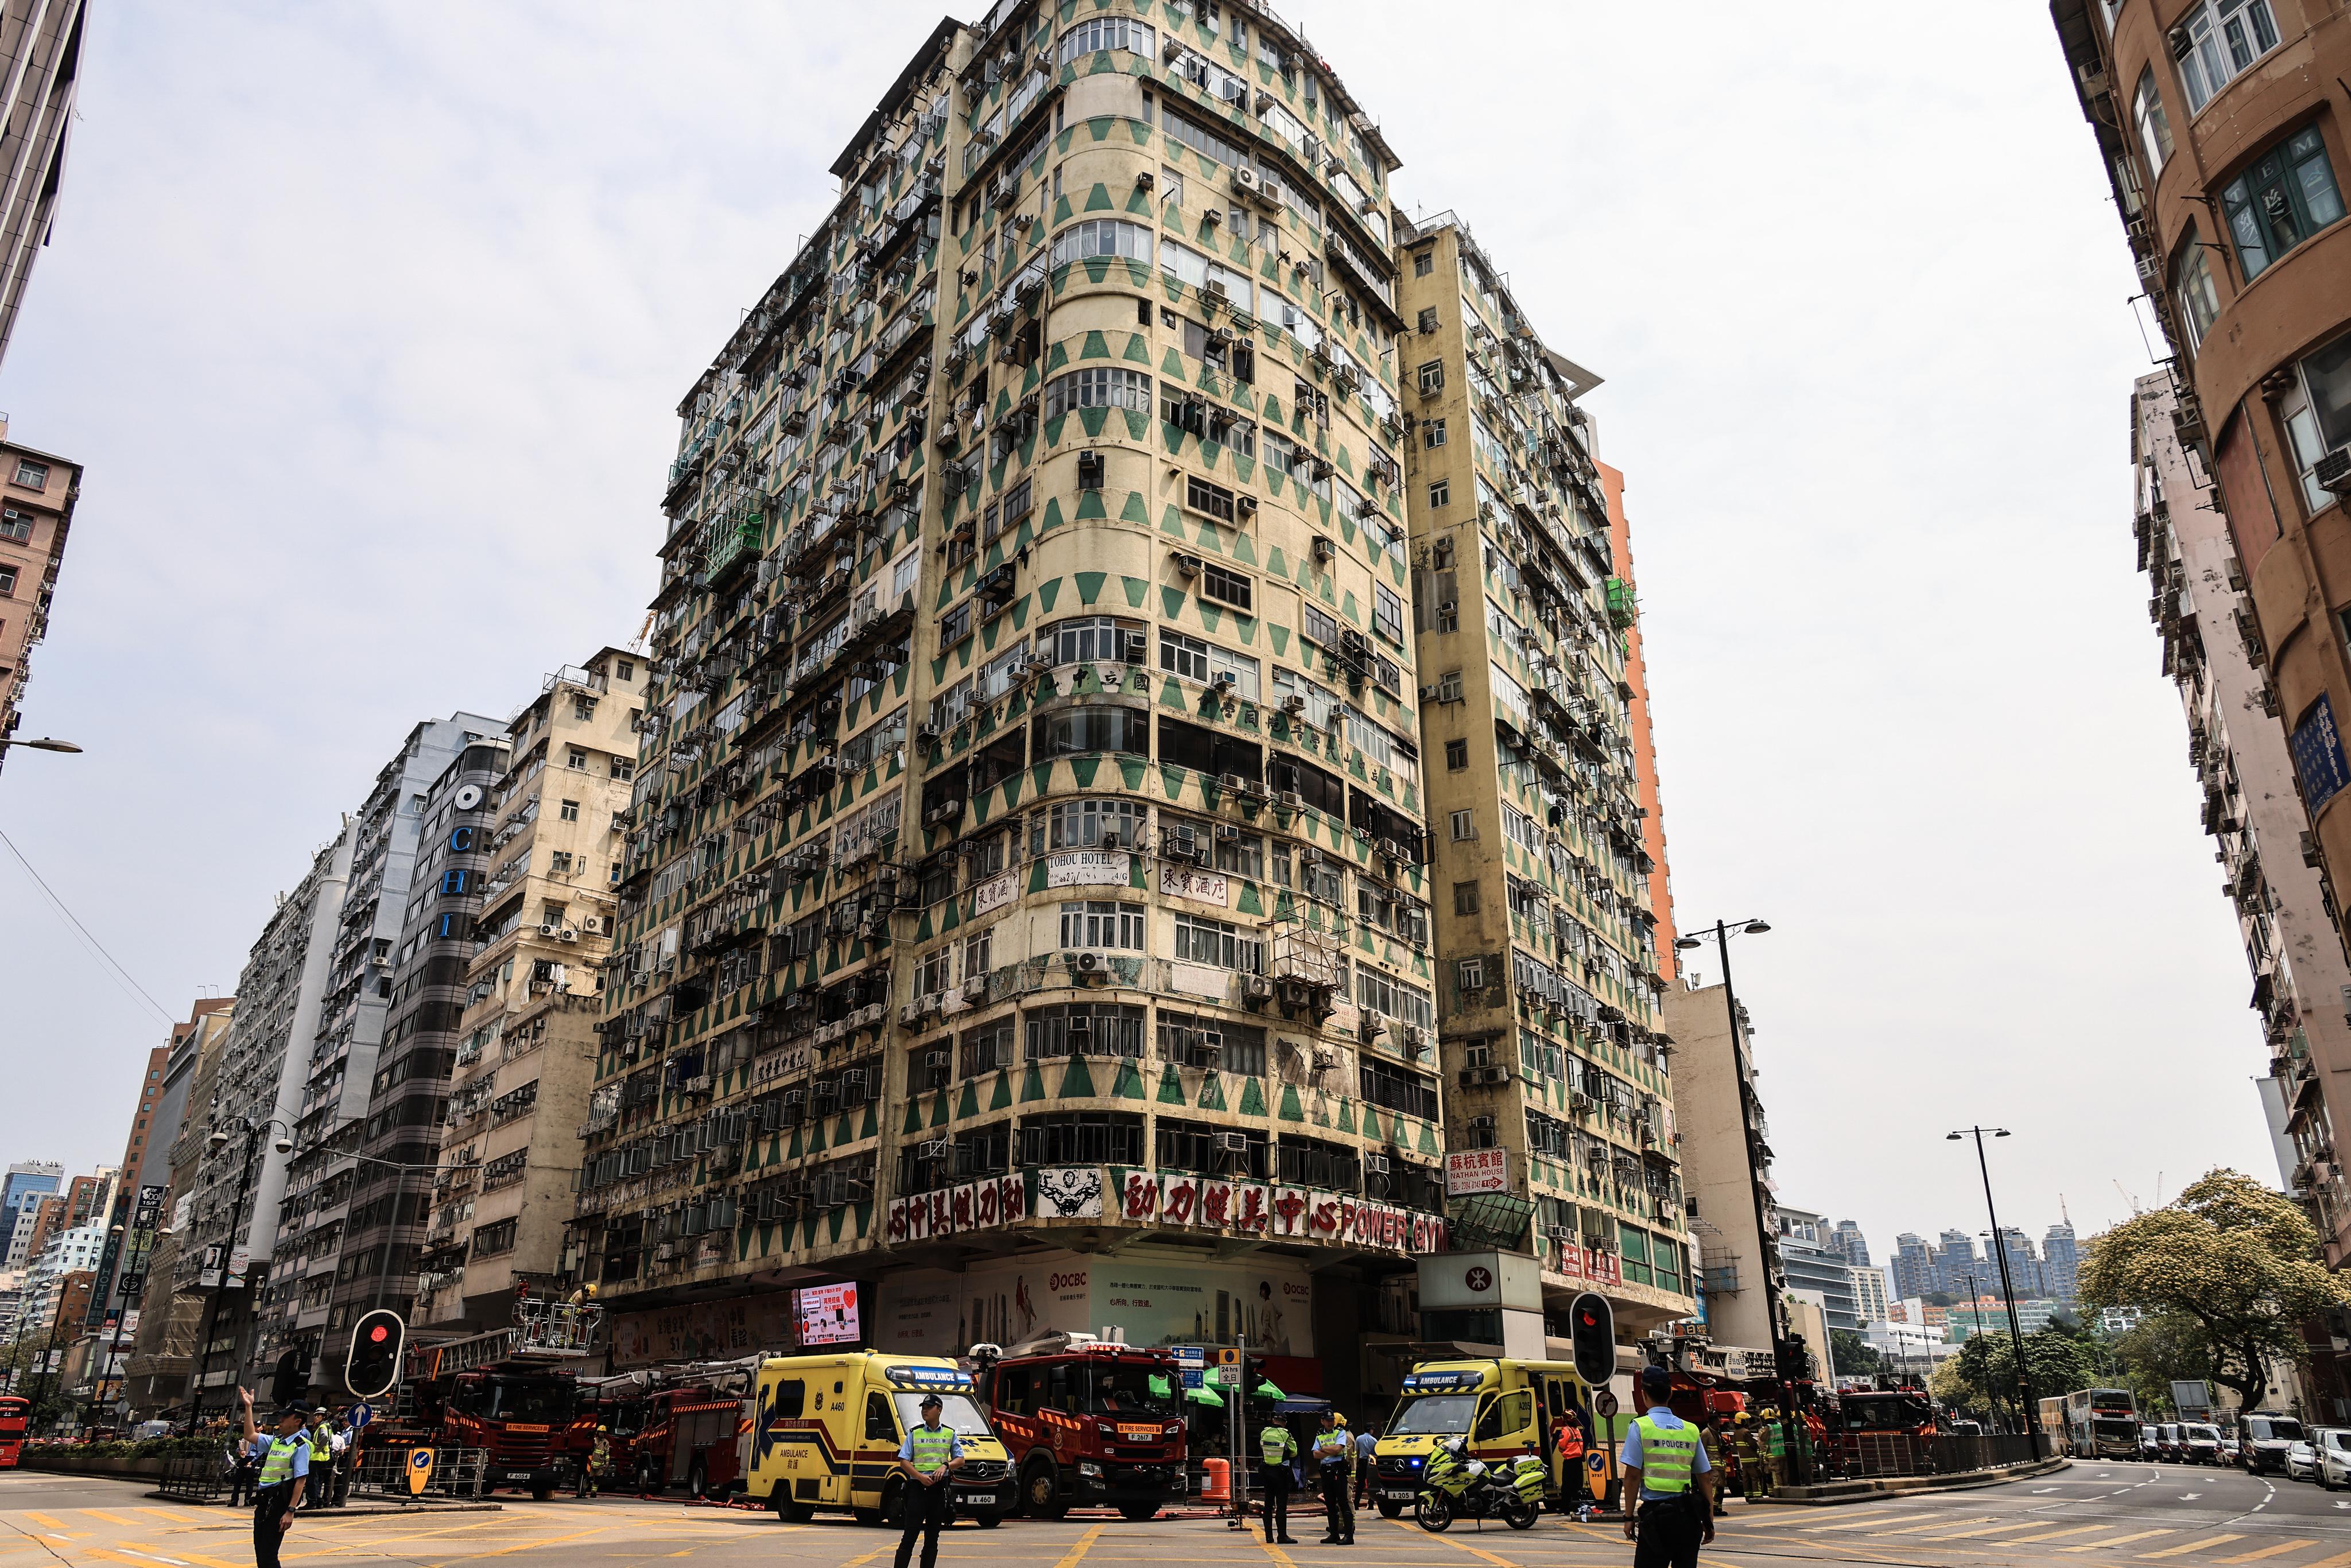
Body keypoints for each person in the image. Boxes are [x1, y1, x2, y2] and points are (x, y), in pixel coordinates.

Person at [1618, 1366, 1713, 1568]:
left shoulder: (1640, 1427)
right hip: (1688, 1518)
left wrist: (1628, 1517)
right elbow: (1705, 1477)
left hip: (1657, 1520)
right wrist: (1708, 1519)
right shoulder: (1690, 1430)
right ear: (1670, 1394)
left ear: (1644, 1395)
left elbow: (1632, 1477)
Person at [238, 1387, 312, 1568]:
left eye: (286, 1417)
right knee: (261, 1555)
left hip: (279, 1504)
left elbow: (301, 1480)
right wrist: (249, 1407)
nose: (281, 1419)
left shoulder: (301, 1446)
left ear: (297, 1421)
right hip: (264, 1502)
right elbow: (250, 1435)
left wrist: (290, 1512)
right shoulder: (276, 1441)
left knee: (269, 1556)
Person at [892, 1393, 963, 1568]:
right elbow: (903, 1462)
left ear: (939, 1410)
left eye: (929, 1407)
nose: (925, 1410)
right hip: (918, 1489)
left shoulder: (949, 1433)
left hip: (938, 1491)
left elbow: (960, 1460)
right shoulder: (915, 1433)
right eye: (923, 1407)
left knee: (932, 1538)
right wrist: (920, 1477)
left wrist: (946, 1466)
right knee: (910, 1536)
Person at [1312, 1411, 1354, 1545]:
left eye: (1332, 1420)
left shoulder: (1340, 1432)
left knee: (1343, 1503)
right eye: (1328, 1420)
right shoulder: (1320, 1434)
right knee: (1330, 1505)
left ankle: (1349, 1536)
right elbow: (1315, 1455)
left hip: (1338, 1471)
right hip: (1326, 1472)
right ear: (1322, 1421)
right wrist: (1330, 1451)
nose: (1330, 1422)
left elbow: (1338, 1449)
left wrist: (1324, 1449)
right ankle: (1334, 1535)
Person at [1258, 1416, 1298, 1544]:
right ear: (1285, 1423)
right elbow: (1294, 1452)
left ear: (1274, 1421)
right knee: (1281, 1506)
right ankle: (1282, 1536)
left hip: (1267, 1473)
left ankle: (1269, 1537)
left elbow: (1262, 1448)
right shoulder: (1286, 1434)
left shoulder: (1264, 1432)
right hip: (1281, 1473)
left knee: (1268, 1505)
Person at [583, 1426, 612, 1499]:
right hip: (591, 1464)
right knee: (588, 1478)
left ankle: (594, 1492)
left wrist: (607, 1462)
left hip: (600, 1465)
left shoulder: (606, 1442)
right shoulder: (594, 1440)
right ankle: (583, 1490)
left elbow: (607, 1453)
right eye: (600, 1432)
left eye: (603, 1433)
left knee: (597, 1480)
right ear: (597, 1432)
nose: (601, 1434)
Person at [1353, 1423, 1378, 1507]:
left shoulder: (1359, 1439)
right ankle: (1371, 1504)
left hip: (1362, 1461)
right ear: (1371, 1430)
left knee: (1360, 1483)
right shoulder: (1374, 1440)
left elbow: (1357, 1451)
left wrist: (1357, 1462)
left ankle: (1356, 1504)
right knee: (1371, 1482)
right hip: (1371, 1461)